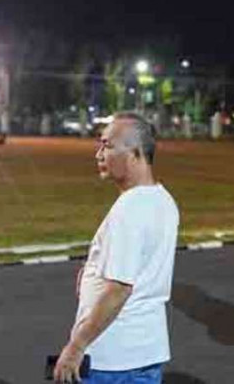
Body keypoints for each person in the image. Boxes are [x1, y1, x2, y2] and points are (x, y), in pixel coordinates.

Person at [54, 112, 179, 384]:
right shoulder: (163, 200)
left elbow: (120, 288)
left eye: (107, 146)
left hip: (112, 358)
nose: (98, 154)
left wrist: (76, 346)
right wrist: (93, 272)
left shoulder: (129, 209)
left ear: (135, 153)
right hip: (146, 351)